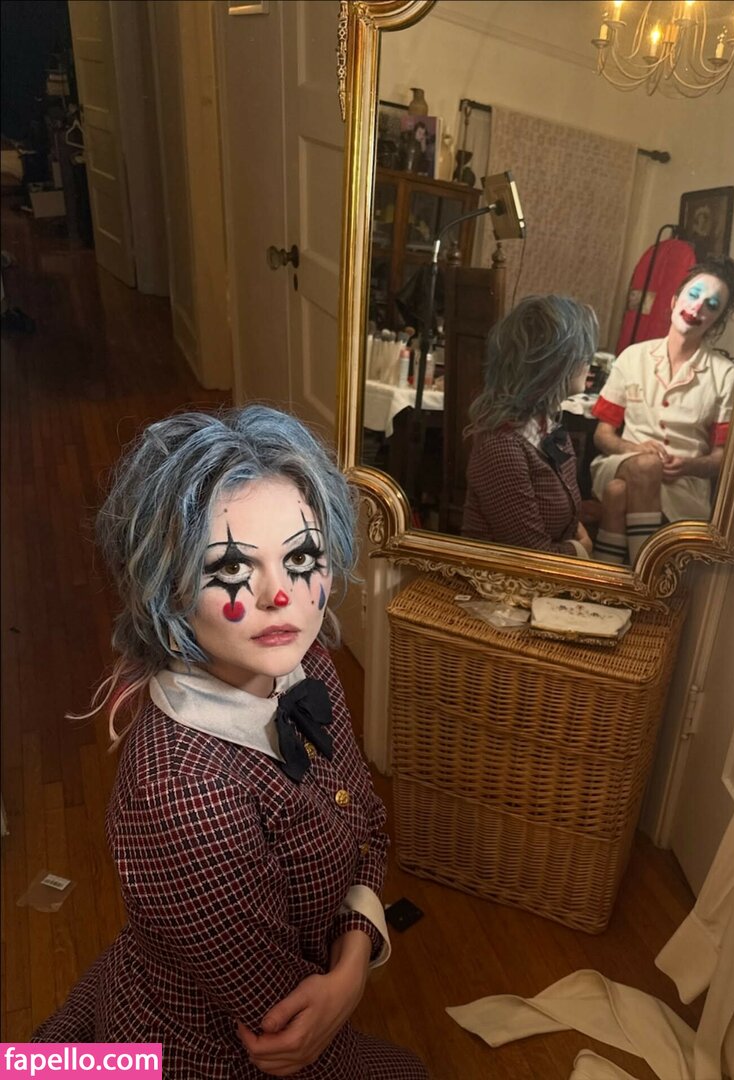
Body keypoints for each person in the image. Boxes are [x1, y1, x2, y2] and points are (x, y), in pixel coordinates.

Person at [31, 406, 428, 1080]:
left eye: (301, 558)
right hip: (209, 1052)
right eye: (232, 569)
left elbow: (367, 826)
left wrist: (353, 960)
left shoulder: (307, 667)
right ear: (167, 587)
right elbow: (283, 1027)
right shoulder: (184, 794)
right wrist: (344, 983)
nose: (280, 595)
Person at [590, 255, 734, 566]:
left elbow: (722, 457)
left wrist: (689, 465)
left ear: (717, 321)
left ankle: (607, 580)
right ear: (674, 300)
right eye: (694, 295)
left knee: (618, 493)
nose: (698, 307)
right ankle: (648, 576)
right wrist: (634, 449)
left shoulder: (726, 375)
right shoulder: (632, 357)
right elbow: (602, 435)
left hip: (682, 487)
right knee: (645, 466)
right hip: (619, 463)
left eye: (712, 305)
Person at [461, 294, 599, 557]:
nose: (588, 362)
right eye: (582, 353)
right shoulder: (501, 446)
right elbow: (529, 555)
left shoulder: (550, 429)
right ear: (554, 365)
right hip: (496, 578)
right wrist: (581, 550)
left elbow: (565, 521)